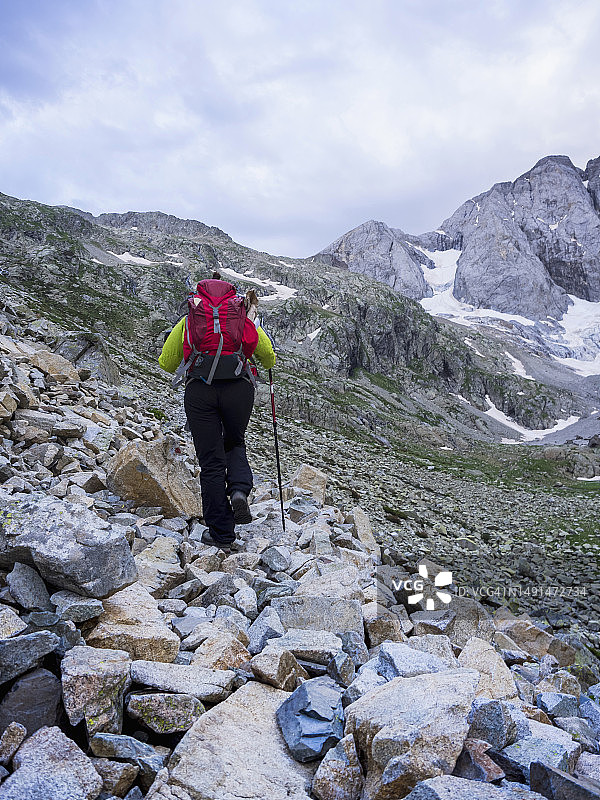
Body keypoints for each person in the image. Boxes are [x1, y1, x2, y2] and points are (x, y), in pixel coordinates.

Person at [158, 275, 276, 550]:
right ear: (230, 296)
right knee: (234, 441)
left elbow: (166, 362)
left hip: (200, 390)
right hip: (239, 388)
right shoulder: (240, 316)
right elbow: (269, 357)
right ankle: (238, 490)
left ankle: (221, 533)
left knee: (211, 462)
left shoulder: (190, 319)